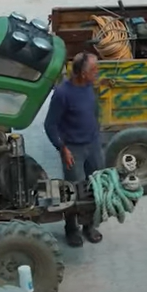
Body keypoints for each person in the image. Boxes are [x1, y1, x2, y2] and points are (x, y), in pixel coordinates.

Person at [43, 52, 105, 247]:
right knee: (73, 192)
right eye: (94, 69)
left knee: (94, 188)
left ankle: (88, 226)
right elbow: (50, 125)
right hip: (73, 150)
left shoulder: (89, 86)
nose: (98, 72)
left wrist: (96, 133)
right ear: (81, 73)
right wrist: (62, 148)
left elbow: (94, 111)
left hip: (92, 145)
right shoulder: (62, 93)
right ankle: (71, 229)